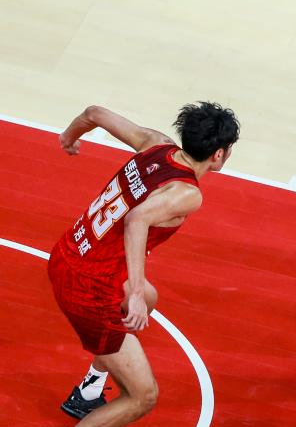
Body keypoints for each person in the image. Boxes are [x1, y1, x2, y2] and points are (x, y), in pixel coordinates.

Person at [49, 103, 240, 425]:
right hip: (88, 286)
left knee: (149, 299)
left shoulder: (156, 144)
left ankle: (90, 389)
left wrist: (69, 137)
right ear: (219, 154)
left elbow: (94, 113)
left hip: (70, 252)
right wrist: (134, 291)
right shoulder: (186, 193)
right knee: (143, 396)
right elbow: (137, 219)